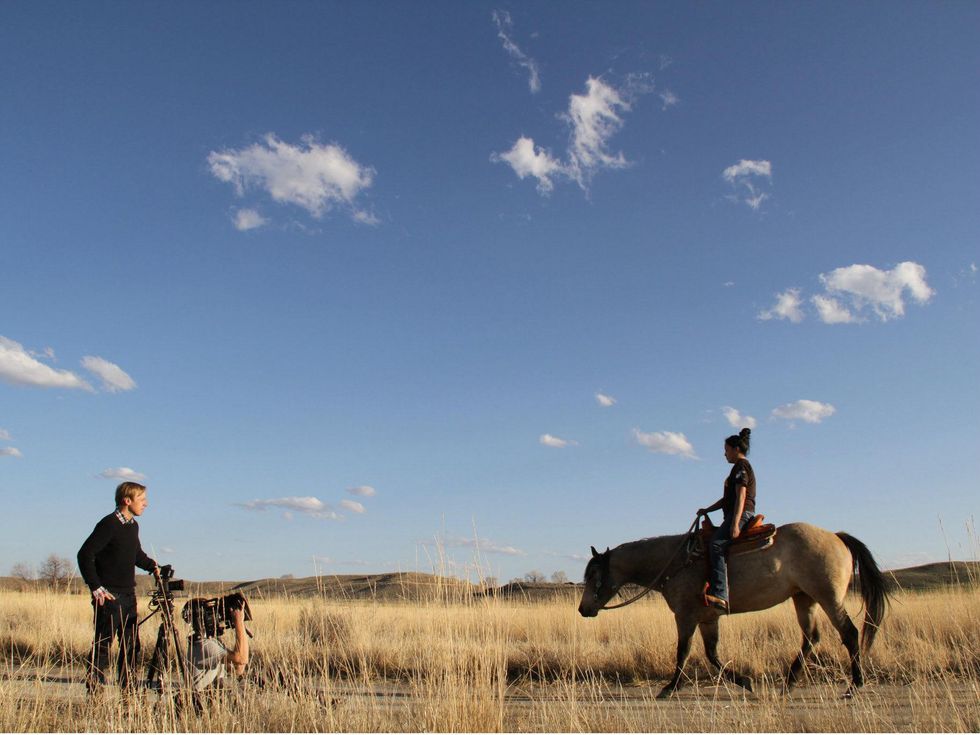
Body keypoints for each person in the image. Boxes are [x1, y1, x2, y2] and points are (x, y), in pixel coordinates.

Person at [77, 481, 159, 691]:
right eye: (142, 499)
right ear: (127, 500)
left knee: (131, 646)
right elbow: (85, 554)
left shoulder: (133, 526)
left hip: (128, 595)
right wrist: (96, 587)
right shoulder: (109, 524)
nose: (146, 504)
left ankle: (128, 691)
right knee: (104, 645)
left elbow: (136, 555)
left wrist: (153, 566)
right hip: (109, 596)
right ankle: (95, 689)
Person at [697, 427, 756, 613]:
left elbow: (741, 496)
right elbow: (726, 500)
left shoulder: (741, 467)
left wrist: (735, 523)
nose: (725, 454)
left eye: (727, 450)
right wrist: (707, 509)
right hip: (734, 513)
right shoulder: (736, 469)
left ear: (736, 448)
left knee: (716, 544)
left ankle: (721, 593)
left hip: (742, 513)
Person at [183, 594, 250, 693]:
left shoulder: (210, 641)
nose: (216, 618)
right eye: (211, 614)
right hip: (203, 701)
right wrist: (238, 622)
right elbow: (242, 658)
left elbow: (238, 668)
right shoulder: (204, 645)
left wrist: (239, 625)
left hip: (212, 695)